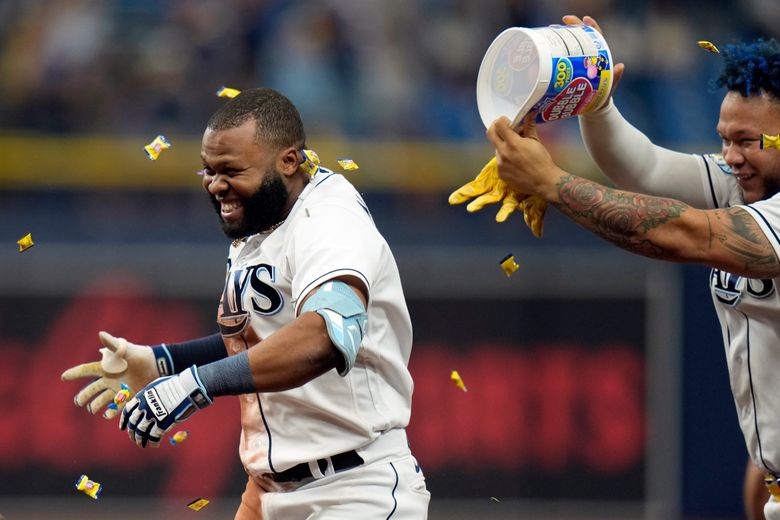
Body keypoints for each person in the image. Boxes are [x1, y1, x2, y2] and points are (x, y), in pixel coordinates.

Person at [61, 87, 430, 519]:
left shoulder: (329, 220)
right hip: (271, 490)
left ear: (288, 161)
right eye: (208, 170)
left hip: (354, 490)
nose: (216, 184)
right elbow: (263, 336)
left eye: (231, 170)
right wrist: (163, 362)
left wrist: (194, 385)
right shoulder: (267, 212)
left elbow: (324, 337)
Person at [476, 15, 780, 520]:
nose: (730, 157)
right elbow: (644, 168)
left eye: (747, 142)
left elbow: (681, 234)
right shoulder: (744, 182)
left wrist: (553, 182)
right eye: (724, 138)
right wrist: (597, 103)